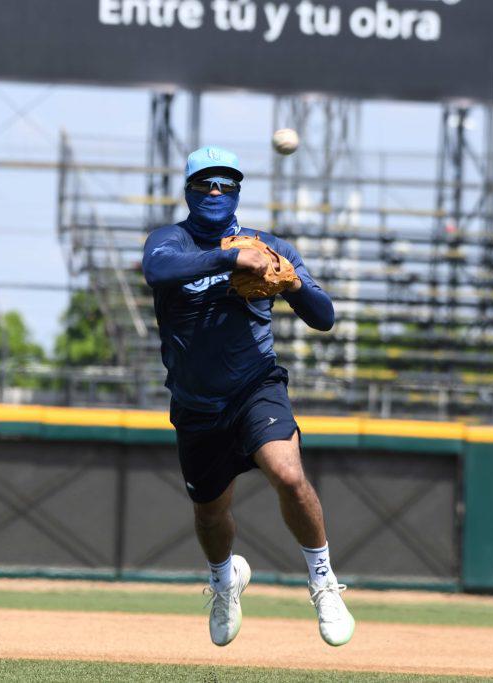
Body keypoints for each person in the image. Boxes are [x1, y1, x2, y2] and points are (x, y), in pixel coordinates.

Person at [141, 146, 354, 648]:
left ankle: (323, 581)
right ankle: (224, 582)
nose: (215, 192)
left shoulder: (270, 246)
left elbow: (323, 317)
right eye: (205, 184)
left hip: (255, 386)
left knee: (288, 472)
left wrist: (293, 282)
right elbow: (158, 271)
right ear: (189, 189)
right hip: (196, 403)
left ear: (238, 190)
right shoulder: (169, 241)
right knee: (211, 514)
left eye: (225, 184)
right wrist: (230, 256)